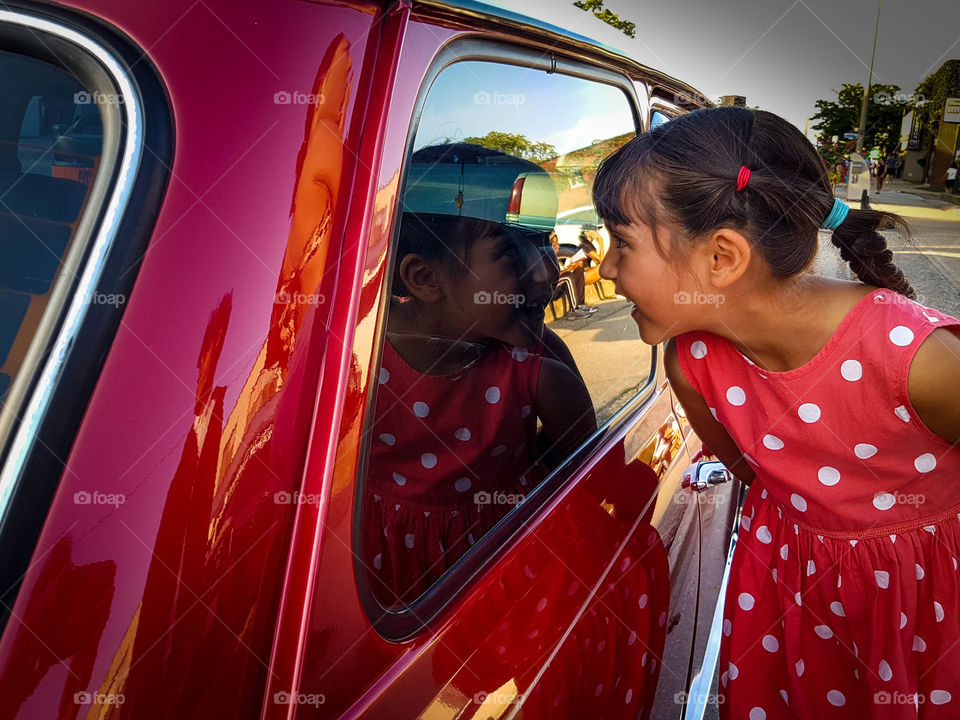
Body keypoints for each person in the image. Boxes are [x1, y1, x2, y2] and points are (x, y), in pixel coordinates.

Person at [592, 106, 960, 718]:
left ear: (721, 258)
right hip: (792, 600)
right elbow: (754, 474)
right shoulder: (692, 364)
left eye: (621, 243)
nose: (605, 268)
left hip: (925, 606)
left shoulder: (917, 359)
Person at [363, 212, 596, 606]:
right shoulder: (356, 367)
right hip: (385, 575)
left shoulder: (537, 369)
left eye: (544, 241)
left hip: (511, 572)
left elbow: (580, 464)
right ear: (424, 277)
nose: (545, 271)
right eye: (508, 250)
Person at [550, 231, 598, 318]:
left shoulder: (555, 256)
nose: (558, 246)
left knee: (578, 271)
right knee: (568, 276)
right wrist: (568, 269)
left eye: (558, 244)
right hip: (549, 290)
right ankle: (574, 310)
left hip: (558, 285)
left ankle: (580, 304)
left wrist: (574, 266)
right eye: (554, 244)